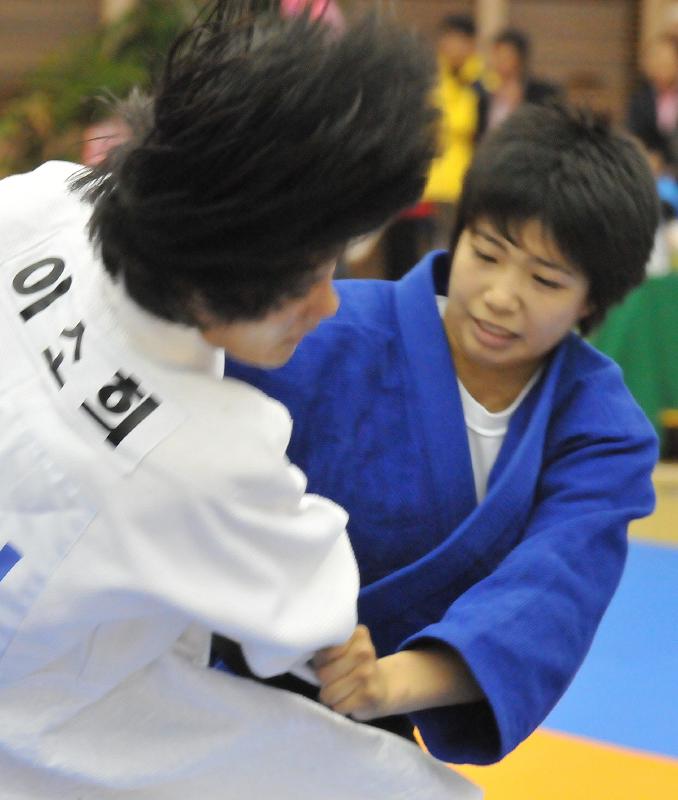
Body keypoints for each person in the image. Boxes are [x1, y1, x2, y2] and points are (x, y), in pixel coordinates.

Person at [0, 2, 482, 798]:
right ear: (230, 260)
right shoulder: (212, 456)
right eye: (309, 276)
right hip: (43, 723)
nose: (329, 303)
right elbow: (315, 626)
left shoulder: (43, 201)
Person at [225, 103, 660, 765]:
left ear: (592, 301)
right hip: (208, 672)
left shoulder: (601, 428)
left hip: (373, 715)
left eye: (545, 280)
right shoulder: (324, 328)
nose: (501, 295)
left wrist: (383, 683)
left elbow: (551, 592)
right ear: (458, 234)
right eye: (487, 253)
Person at [485, 27, 561, 131]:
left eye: (506, 55)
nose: (499, 61)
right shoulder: (486, 92)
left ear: (519, 58)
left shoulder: (540, 93)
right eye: (496, 55)